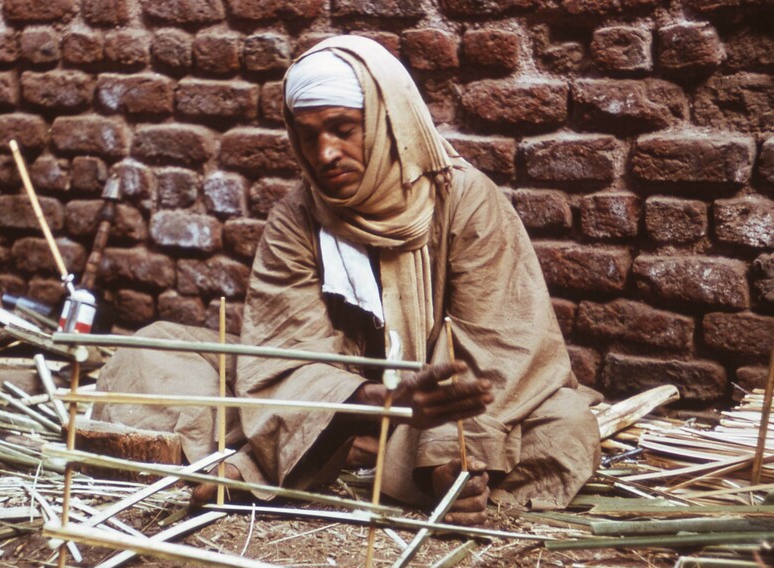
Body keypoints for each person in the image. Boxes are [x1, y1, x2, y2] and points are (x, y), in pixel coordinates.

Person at [95, 36, 600, 525]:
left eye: (342, 128)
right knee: (154, 348)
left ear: (388, 123)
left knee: (565, 425)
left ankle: (412, 467)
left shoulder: (466, 200)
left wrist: (451, 449)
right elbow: (286, 353)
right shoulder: (297, 218)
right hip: (335, 409)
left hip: (439, 409)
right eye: (308, 135)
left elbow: (500, 350)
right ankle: (344, 452)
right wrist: (381, 404)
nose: (325, 153)